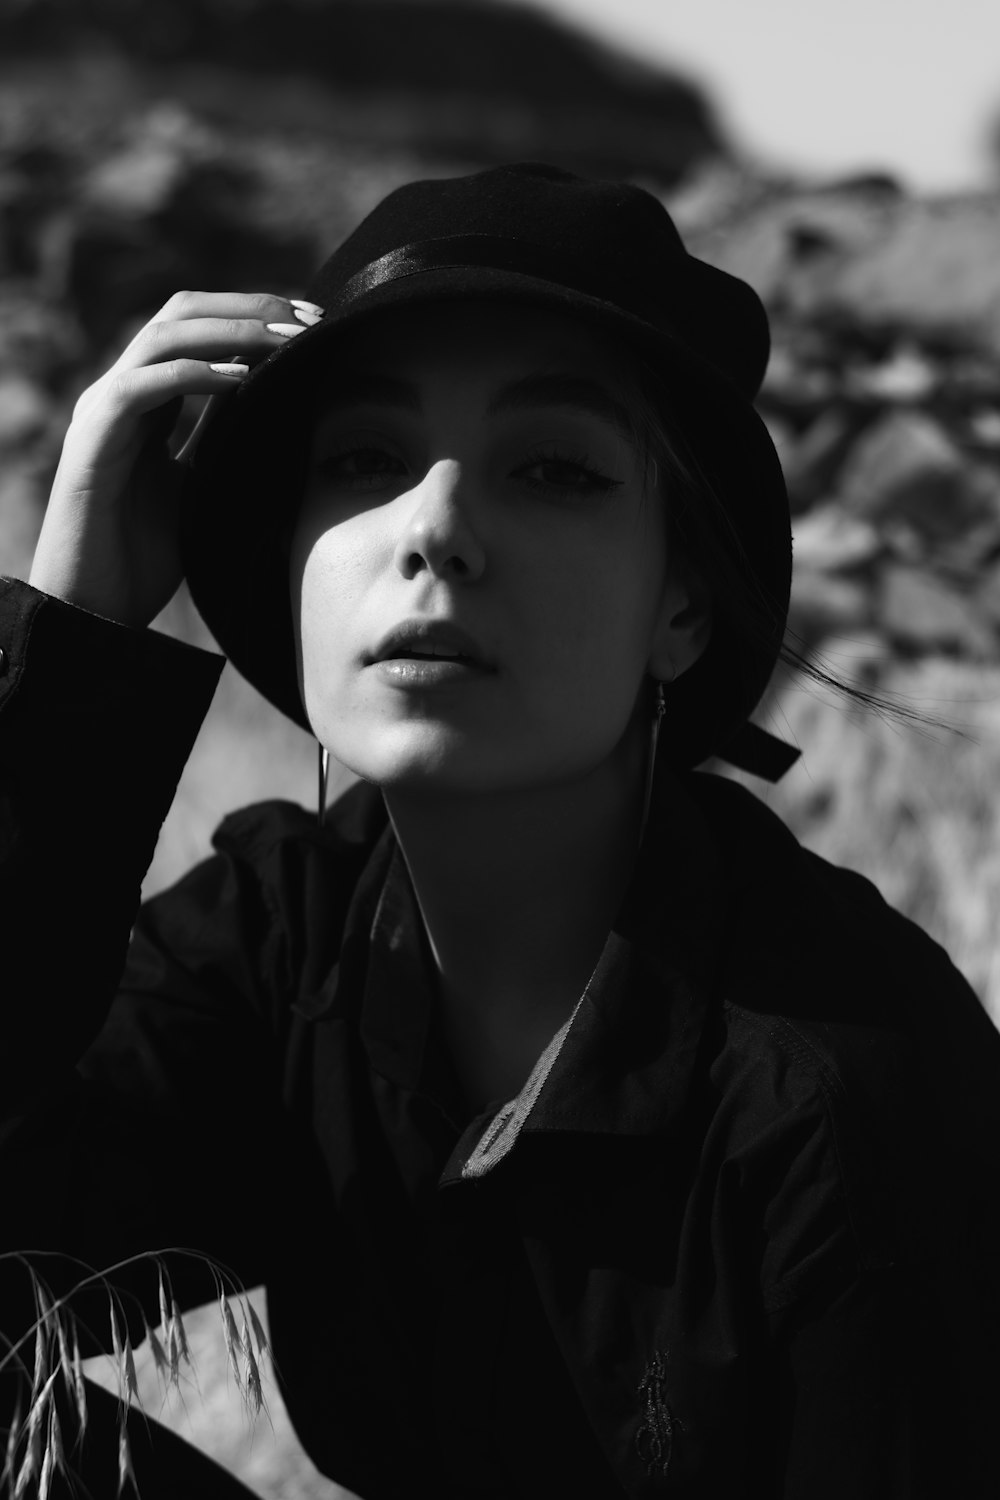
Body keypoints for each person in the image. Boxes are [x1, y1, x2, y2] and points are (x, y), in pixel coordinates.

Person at [2, 161, 999, 1499]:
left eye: (551, 469)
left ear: (685, 608)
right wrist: (75, 657)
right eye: (363, 460)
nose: (437, 528)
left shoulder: (838, 1090)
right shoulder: (288, 927)